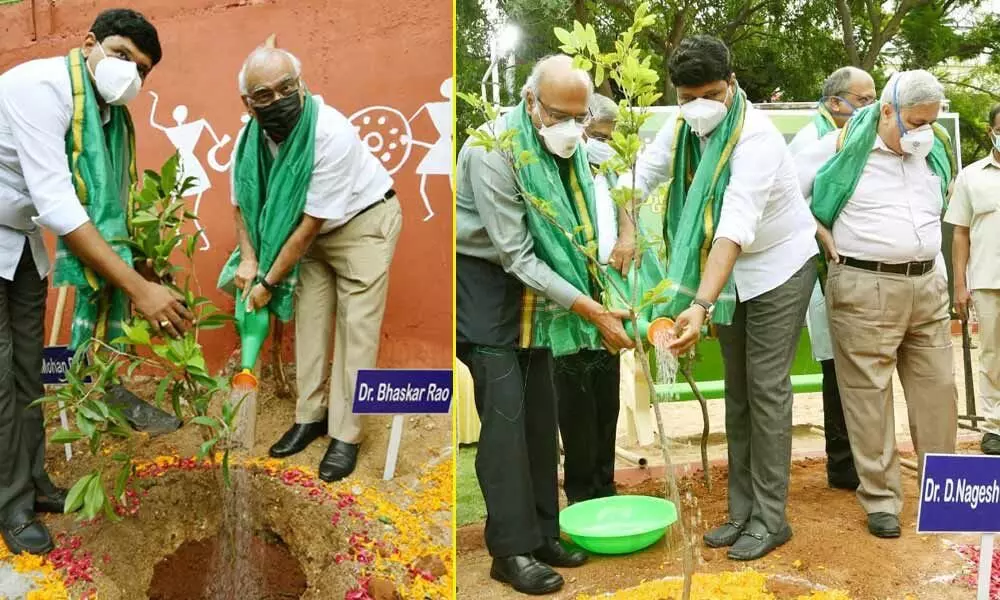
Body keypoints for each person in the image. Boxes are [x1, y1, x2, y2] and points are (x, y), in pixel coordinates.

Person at [0, 8, 191, 555]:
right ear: (89, 44)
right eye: (124, 56)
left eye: (145, 69)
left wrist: (145, 271)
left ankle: (33, 485)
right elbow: (61, 204)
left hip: (22, 240)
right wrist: (137, 289)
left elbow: (105, 207)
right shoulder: (41, 89)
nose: (133, 73)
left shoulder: (107, 120)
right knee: (1, 380)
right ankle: (10, 506)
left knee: (26, 372)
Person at [456, 55, 635, 595]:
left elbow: (604, 203)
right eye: (558, 114)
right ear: (530, 101)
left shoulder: (574, 148)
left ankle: (544, 534)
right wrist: (591, 308)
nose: (570, 128)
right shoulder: (492, 151)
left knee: (541, 415)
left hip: (544, 290)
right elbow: (514, 255)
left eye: (579, 117)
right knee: (508, 422)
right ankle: (509, 550)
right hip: (489, 286)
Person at [637, 35, 818, 561]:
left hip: (778, 266)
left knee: (765, 388)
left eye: (710, 94)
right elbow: (636, 178)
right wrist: (623, 227)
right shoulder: (682, 129)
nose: (699, 106)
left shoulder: (756, 137)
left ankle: (770, 517)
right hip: (730, 276)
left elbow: (734, 227)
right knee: (736, 392)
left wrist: (699, 303)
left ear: (732, 85)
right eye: (687, 96)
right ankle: (742, 512)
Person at [218, 45, 402, 482]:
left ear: (301, 85)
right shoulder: (248, 142)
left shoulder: (330, 134)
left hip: (361, 223)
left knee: (356, 330)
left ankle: (346, 434)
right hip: (310, 235)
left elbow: (308, 225)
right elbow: (241, 205)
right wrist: (247, 257)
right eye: (265, 94)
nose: (280, 99)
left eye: (288, 87)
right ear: (247, 103)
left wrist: (266, 281)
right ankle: (310, 417)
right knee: (311, 323)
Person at [796, 70, 958, 538]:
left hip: (927, 284)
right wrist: (816, 227)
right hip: (865, 287)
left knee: (939, 392)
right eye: (916, 122)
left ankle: (946, 497)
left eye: (931, 121)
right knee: (868, 397)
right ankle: (882, 499)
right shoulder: (838, 146)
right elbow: (784, 191)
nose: (924, 131)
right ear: (887, 111)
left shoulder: (936, 149)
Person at [554, 93, 647, 505]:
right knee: (575, 401)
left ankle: (605, 486)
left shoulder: (610, 173)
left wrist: (630, 237)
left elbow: (629, 213)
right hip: (571, 301)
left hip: (608, 293)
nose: (601, 145)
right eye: (596, 135)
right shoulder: (556, 170)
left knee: (606, 396)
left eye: (608, 138)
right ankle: (581, 494)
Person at [788, 66, 876, 491]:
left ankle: (857, 459)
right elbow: (789, 199)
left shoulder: (861, 139)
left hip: (860, 270)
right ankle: (843, 464)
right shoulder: (813, 141)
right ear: (835, 102)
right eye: (863, 100)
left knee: (857, 366)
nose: (871, 108)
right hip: (830, 270)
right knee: (837, 368)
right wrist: (817, 227)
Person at [944, 103, 1000, 456]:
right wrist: (959, 285)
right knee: (993, 355)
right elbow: (960, 233)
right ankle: (995, 427)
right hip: (988, 280)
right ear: (991, 129)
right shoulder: (971, 176)